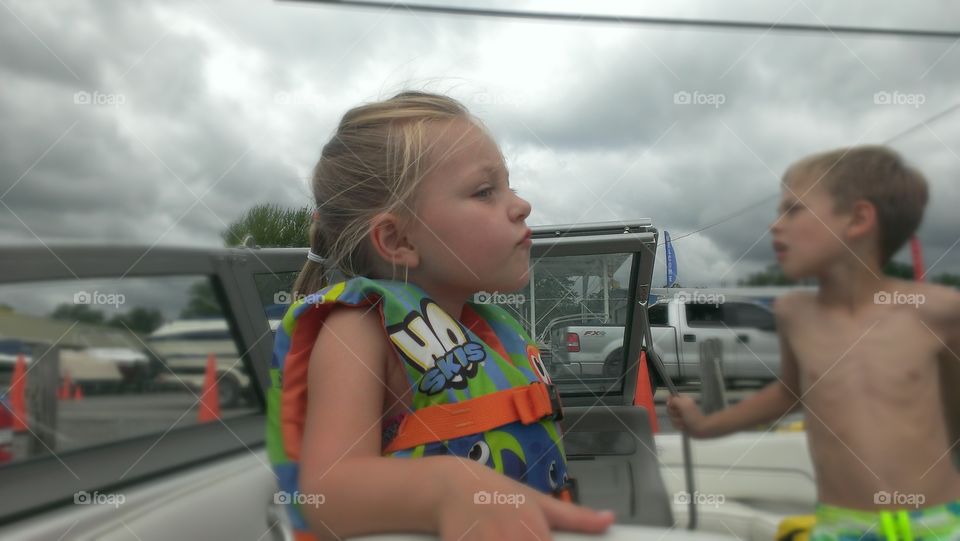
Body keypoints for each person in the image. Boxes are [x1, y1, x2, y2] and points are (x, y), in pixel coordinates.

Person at [266, 91, 615, 541]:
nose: (521, 205)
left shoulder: (485, 330)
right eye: (485, 191)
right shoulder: (358, 329)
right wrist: (448, 487)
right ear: (398, 240)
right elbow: (325, 495)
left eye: (509, 185)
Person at [668, 145, 960, 540]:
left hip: (939, 521)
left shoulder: (939, 311)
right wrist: (705, 426)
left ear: (858, 219)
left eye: (793, 210)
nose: (775, 226)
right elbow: (790, 393)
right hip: (843, 526)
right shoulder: (794, 313)